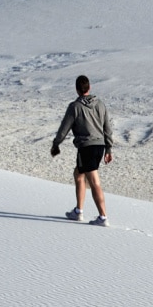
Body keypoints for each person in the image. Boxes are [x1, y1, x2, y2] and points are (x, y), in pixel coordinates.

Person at [50, 74, 113, 225]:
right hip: (99, 146)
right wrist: (109, 149)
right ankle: (78, 211)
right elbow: (107, 128)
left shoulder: (75, 107)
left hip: (87, 147)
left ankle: (103, 217)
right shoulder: (100, 104)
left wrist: (56, 143)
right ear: (89, 87)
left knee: (94, 181)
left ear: (77, 89)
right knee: (79, 174)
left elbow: (64, 128)